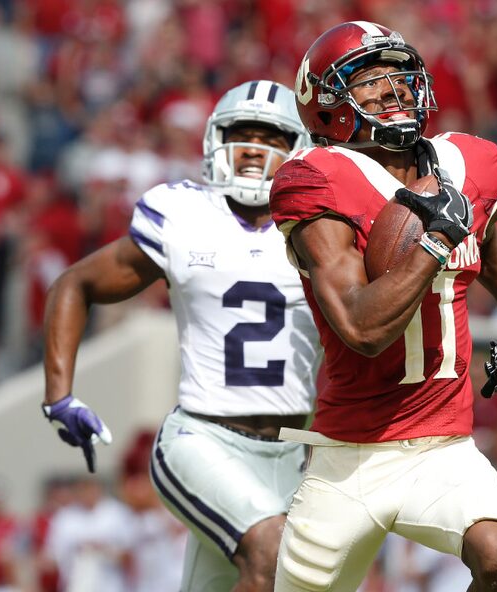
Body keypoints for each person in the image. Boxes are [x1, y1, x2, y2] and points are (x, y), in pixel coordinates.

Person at [269, 22, 497, 591]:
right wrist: (434, 244)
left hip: (443, 446)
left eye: (397, 74)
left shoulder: (468, 162)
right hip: (350, 458)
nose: (392, 90)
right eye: (367, 80)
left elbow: (485, 233)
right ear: (324, 105)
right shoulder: (317, 180)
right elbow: (360, 327)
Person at [40, 80, 322, 592]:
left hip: (288, 454)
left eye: (271, 136)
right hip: (201, 440)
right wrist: (59, 396)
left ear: (297, 150)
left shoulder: (321, 231)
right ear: (216, 140)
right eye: (242, 133)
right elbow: (74, 283)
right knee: (272, 554)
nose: (254, 148)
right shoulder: (185, 213)